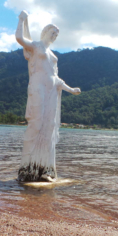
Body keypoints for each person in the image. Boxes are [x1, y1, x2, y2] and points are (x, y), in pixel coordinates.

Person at [15, 10, 81, 182]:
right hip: (38, 88)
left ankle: (44, 169)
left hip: (52, 90)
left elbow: (56, 78)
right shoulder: (36, 46)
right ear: (45, 31)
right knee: (36, 124)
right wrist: (21, 20)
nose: (55, 36)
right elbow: (20, 39)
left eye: (57, 34)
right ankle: (28, 168)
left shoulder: (52, 55)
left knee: (48, 128)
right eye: (53, 32)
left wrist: (71, 89)